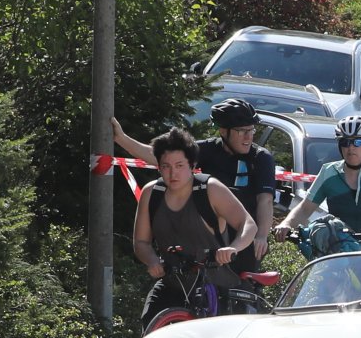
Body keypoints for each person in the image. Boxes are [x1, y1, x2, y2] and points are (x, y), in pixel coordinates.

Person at [111, 98, 277, 274]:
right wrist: (121, 139)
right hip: (212, 234)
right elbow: (162, 156)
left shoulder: (261, 157)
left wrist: (261, 236)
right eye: (242, 131)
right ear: (223, 131)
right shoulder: (210, 149)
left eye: (251, 130)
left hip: (245, 233)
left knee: (241, 284)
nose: (249, 137)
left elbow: (265, 201)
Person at [132, 127, 257, 328]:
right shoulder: (151, 193)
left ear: (192, 165)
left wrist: (233, 248)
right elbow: (141, 242)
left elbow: (248, 224)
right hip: (173, 281)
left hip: (216, 283)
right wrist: (152, 260)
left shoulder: (210, 189)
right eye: (166, 166)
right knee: (151, 326)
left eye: (180, 165)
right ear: (158, 167)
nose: (173, 173)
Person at [273, 116, 361, 246]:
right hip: (338, 249)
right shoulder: (328, 171)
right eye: (345, 142)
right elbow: (305, 208)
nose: (351, 148)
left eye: (358, 142)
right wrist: (286, 224)